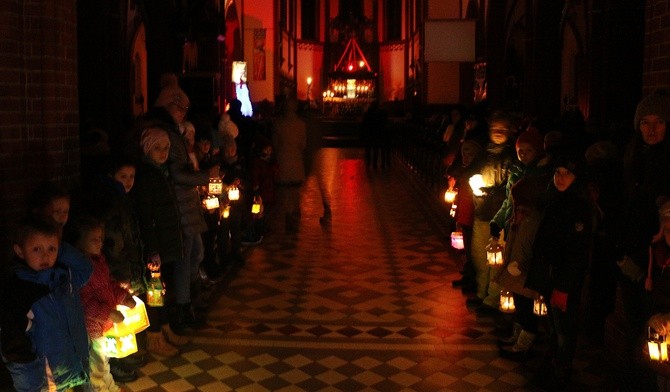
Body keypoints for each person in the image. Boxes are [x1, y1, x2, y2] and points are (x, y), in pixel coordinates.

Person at [148, 76, 217, 332]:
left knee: (187, 255)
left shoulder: (169, 130)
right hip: (178, 204)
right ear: (171, 106)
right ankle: (182, 309)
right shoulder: (166, 132)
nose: (184, 113)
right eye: (181, 108)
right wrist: (206, 177)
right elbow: (177, 173)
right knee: (182, 256)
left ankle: (186, 304)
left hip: (179, 203)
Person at [525, 153, 594, 389]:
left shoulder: (579, 208)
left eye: (567, 174)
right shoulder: (553, 200)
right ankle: (552, 362)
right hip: (549, 275)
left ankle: (561, 369)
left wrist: (563, 287)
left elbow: (576, 252)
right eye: (558, 173)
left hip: (563, 280)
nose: (561, 178)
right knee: (553, 326)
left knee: (564, 328)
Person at [0, 217, 92, 391]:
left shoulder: (64, 277)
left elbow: (85, 268)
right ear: (20, 251)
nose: (45, 256)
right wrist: (30, 382)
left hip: (77, 362)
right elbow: (14, 345)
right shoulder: (19, 291)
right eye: (36, 249)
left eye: (52, 248)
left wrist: (61, 248)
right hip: (47, 376)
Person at [617, 90, 670, 389]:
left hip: (658, 262)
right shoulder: (632, 156)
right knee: (636, 323)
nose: (651, 129)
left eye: (659, 122)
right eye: (645, 122)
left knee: (656, 328)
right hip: (631, 255)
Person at [131, 127, 190, 357]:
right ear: (147, 149)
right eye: (158, 148)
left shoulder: (160, 172)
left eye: (166, 148)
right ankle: (154, 336)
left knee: (163, 289)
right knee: (155, 292)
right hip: (156, 245)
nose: (163, 152)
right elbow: (147, 216)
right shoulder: (147, 176)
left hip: (165, 241)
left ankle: (165, 328)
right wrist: (153, 249)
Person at [67, 216, 138, 389]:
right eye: (94, 239)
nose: (99, 243)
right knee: (95, 367)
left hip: (104, 326)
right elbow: (85, 303)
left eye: (100, 239)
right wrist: (108, 313)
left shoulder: (99, 261)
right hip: (92, 328)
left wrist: (124, 297)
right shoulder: (79, 270)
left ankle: (110, 387)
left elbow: (109, 285)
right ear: (80, 242)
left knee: (103, 361)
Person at [466, 111, 515, 316]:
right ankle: (481, 292)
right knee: (479, 255)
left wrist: (491, 191)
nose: (498, 133)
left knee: (495, 259)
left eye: (502, 130)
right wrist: (474, 185)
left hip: (499, 215)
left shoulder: (511, 156)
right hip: (482, 210)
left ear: (509, 132)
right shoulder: (484, 153)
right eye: (495, 129)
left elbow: (511, 186)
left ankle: (492, 299)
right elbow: (471, 172)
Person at [493, 176, 547, 360]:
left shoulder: (532, 220)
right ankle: (517, 337)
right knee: (520, 306)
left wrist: (520, 264)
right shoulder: (519, 216)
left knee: (526, 309)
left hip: (523, 272)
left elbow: (530, 246)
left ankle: (523, 345)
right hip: (515, 269)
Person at [448, 139, 485, 293]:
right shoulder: (465, 169)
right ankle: (468, 275)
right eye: (463, 151)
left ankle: (473, 279)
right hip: (464, 213)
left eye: (469, 151)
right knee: (467, 248)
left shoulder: (476, 172)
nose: (465, 155)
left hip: (471, 214)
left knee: (473, 249)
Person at [272, 96, 307, 233]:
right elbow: (303, 145)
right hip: (297, 164)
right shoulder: (301, 124)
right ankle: (295, 218)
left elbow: (275, 143)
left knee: (285, 195)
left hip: (283, 163)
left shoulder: (278, 124)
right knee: (296, 194)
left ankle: (288, 220)